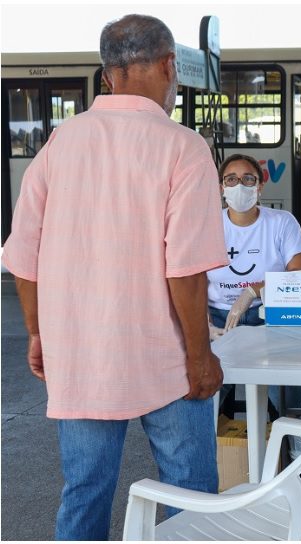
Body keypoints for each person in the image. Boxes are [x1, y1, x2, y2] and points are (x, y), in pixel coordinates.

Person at [1, 14, 227, 540]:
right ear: (170, 66)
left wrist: (39, 332)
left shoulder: (60, 144)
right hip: (166, 358)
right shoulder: (184, 147)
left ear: (108, 77)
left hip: (80, 355)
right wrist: (200, 356)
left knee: (84, 492)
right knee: (189, 494)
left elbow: (22, 256)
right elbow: (186, 269)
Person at [208, 152, 301, 412]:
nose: (239, 186)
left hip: (270, 318)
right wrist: (203, 323)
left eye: (247, 179)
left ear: (260, 185)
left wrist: (253, 291)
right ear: (221, 187)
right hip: (218, 321)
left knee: (285, 393)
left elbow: (300, 275)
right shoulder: (207, 225)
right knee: (207, 393)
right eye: (231, 179)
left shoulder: (281, 223)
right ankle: (222, 447)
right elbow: (194, 278)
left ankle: (286, 442)